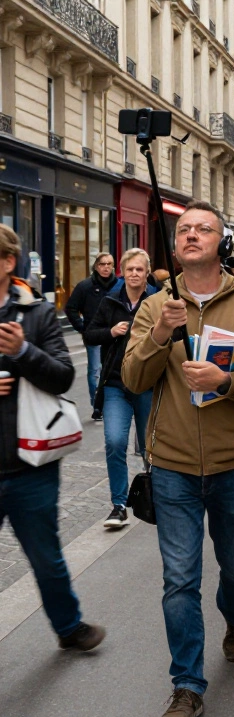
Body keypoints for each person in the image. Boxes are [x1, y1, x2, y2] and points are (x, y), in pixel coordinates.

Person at [122, 201, 234, 717]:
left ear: (222, 243)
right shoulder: (154, 307)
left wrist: (227, 382)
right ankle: (188, 685)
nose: (192, 235)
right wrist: (157, 336)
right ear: (175, 246)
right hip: (171, 464)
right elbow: (132, 379)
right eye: (185, 230)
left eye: (204, 229)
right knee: (180, 578)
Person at [0, 224, 106, 654]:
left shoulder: (38, 315)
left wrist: (24, 352)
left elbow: (63, 375)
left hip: (30, 465)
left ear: (7, 263)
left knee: (46, 557)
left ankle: (68, 627)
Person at [84, 248, 159, 529]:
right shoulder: (110, 301)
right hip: (116, 384)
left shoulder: (157, 301)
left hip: (148, 384)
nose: (134, 274)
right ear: (122, 272)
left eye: (139, 269)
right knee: (115, 442)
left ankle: (155, 495)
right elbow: (90, 334)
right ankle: (118, 505)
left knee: (150, 447)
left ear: (147, 272)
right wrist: (111, 332)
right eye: (129, 269)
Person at [65, 252, 120, 421]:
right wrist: (83, 328)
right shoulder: (85, 286)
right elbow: (71, 308)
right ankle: (97, 406)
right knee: (95, 370)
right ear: (96, 266)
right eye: (102, 264)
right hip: (94, 335)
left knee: (113, 369)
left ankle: (114, 404)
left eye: (109, 264)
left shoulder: (119, 286)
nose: (106, 268)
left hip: (115, 335)